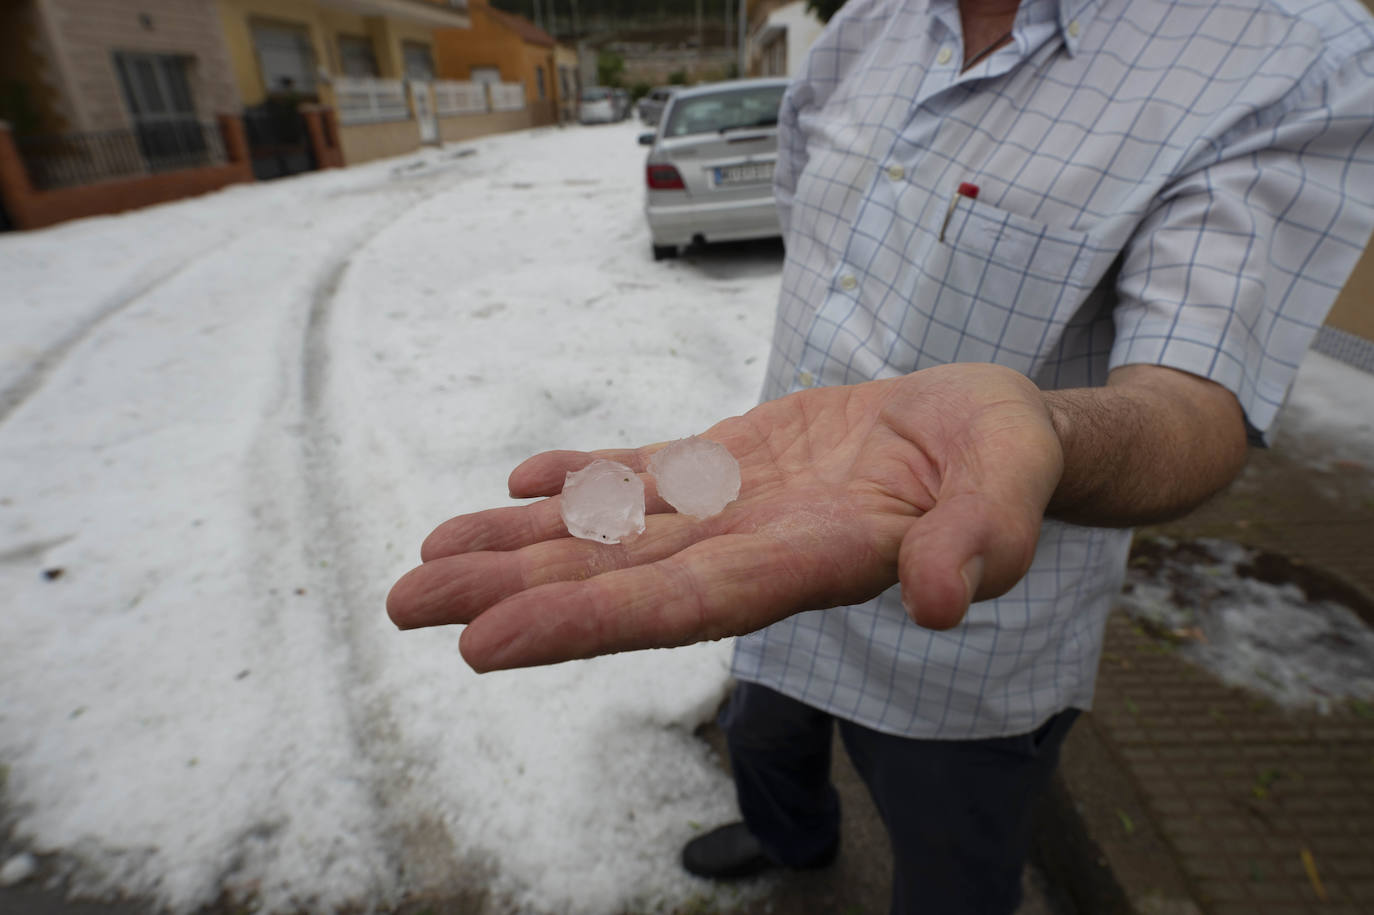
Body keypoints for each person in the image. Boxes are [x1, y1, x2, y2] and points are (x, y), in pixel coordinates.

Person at [387, 0, 1374, 910]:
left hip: (967, 642)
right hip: (763, 547)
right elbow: (819, 254)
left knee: (952, 870)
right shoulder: (867, 24)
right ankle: (791, 840)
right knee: (762, 742)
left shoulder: (1286, 50)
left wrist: (1048, 433)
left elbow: (1196, 402)